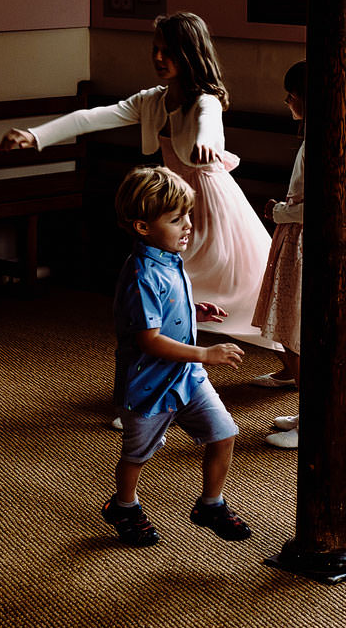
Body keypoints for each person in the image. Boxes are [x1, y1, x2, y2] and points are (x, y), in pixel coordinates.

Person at [0, 13, 274, 348]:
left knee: (251, 284)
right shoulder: (151, 100)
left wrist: (206, 142)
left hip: (213, 204)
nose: (158, 58)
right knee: (169, 281)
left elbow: (207, 120)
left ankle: (289, 359)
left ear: (189, 53)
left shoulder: (206, 100)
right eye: (155, 49)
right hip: (176, 203)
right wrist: (34, 134)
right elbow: (91, 117)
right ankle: (171, 362)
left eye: (168, 51)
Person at [102, 166, 252, 548]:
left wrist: (193, 310)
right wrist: (205, 352)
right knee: (137, 455)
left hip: (187, 376)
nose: (188, 224)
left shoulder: (167, 258)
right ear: (142, 227)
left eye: (187, 214)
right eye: (175, 219)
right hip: (149, 383)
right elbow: (149, 340)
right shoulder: (141, 274)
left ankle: (210, 504)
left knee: (224, 433)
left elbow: (165, 310)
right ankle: (124, 505)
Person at [249, 62, 346, 449]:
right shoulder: (325, 136)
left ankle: (314, 423)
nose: (287, 99)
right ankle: (309, 411)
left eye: (293, 93)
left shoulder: (323, 139)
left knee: (301, 334)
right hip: (298, 238)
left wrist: (277, 212)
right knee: (293, 331)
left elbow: (324, 202)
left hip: (306, 241)